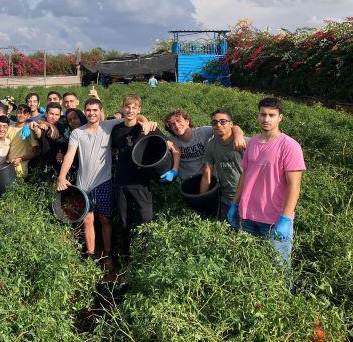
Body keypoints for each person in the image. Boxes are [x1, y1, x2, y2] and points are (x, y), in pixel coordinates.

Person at [57, 98, 153, 268]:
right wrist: (62, 177)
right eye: (88, 110)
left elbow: (133, 117)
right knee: (87, 219)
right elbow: (70, 155)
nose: (91, 113)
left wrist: (145, 122)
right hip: (82, 183)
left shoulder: (109, 126)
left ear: (100, 111)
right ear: (84, 111)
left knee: (104, 219)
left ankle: (107, 254)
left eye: (95, 110)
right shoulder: (77, 133)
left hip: (103, 181)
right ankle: (91, 254)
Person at [229, 97, 305, 266]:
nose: (266, 119)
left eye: (272, 115)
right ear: (258, 116)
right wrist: (235, 204)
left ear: (280, 117)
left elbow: (294, 185)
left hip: (274, 220)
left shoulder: (289, 146)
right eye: (263, 114)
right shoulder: (253, 143)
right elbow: (245, 175)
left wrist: (285, 219)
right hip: (248, 216)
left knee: (279, 270)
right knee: (251, 265)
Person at [111, 94, 179, 256]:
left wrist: (174, 170)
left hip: (141, 183)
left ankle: (146, 255)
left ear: (139, 110)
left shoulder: (149, 128)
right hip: (121, 182)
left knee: (146, 220)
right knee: (124, 221)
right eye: (127, 107)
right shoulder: (116, 129)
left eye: (134, 108)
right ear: (122, 108)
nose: (130, 110)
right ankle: (126, 256)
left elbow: (174, 148)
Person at [164, 109, 246, 180]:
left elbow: (230, 127)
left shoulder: (204, 132)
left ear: (187, 122)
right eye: (172, 124)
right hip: (188, 182)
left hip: (210, 179)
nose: (177, 126)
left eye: (179, 121)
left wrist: (238, 135)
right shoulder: (171, 140)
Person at [199, 109, 248, 221]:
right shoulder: (211, 146)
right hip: (226, 200)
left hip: (247, 199)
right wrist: (201, 199)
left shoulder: (245, 143)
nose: (218, 125)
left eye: (223, 121)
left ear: (231, 124)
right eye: (214, 122)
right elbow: (207, 174)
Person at [30, 102, 65, 173]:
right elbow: (37, 133)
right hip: (46, 168)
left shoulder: (63, 127)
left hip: (62, 168)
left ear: (60, 116)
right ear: (46, 114)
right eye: (51, 114)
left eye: (56, 115)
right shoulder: (43, 128)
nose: (54, 117)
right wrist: (34, 126)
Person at [6, 104, 39, 176]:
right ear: (16, 113)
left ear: (28, 116)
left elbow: (36, 152)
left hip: (21, 168)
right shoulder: (9, 128)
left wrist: (21, 159)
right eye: (19, 112)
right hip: (8, 166)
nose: (21, 115)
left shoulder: (29, 130)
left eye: (25, 114)